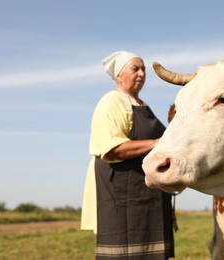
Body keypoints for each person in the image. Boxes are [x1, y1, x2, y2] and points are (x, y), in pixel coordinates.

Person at [81, 51, 175, 259]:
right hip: (122, 192)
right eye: (135, 68)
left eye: (143, 69)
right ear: (118, 77)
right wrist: (157, 144)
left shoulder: (143, 105)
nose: (142, 73)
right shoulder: (112, 101)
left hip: (148, 192)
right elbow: (112, 148)